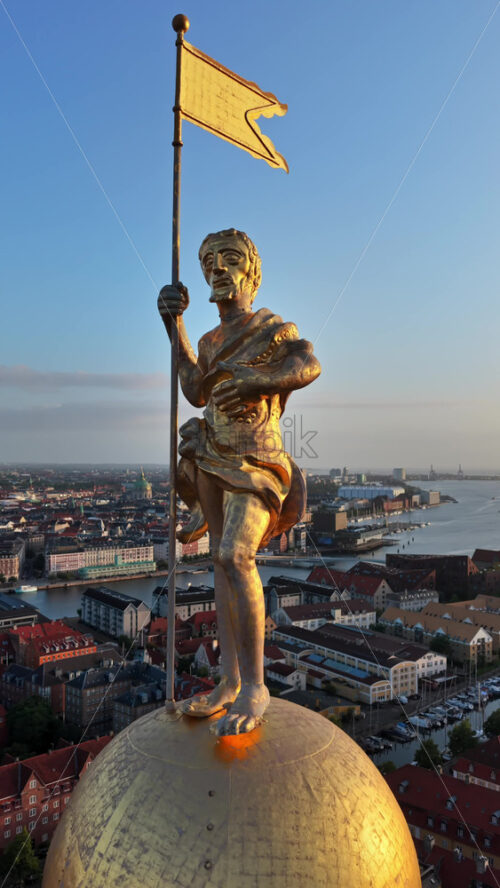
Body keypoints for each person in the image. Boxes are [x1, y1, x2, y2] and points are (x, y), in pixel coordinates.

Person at [158, 228, 320, 735]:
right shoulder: (210, 341)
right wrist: (174, 325)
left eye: (229, 258)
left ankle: (255, 686)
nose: (218, 268)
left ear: (251, 271)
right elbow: (194, 389)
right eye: (209, 261)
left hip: (258, 458)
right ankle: (228, 680)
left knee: (235, 554)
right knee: (219, 562)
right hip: (212, 452)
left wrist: (257, 380)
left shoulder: (271, 327)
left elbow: (307, 364)